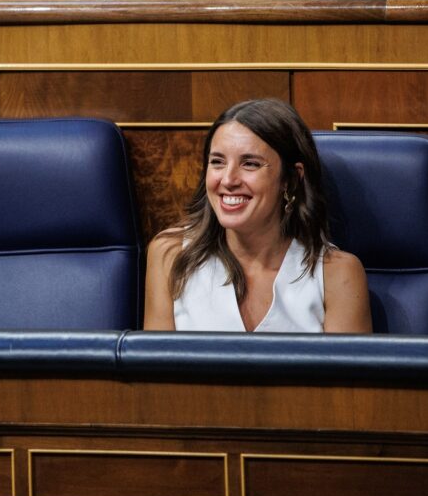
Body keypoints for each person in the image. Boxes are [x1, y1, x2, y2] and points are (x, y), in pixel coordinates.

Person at [143, 99, 371, 333]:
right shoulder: (170, 255)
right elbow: (155, 368)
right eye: (217, 162)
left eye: (250, 164)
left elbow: (347, 370)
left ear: (291, 179)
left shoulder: (337, 274)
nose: (228, 180)